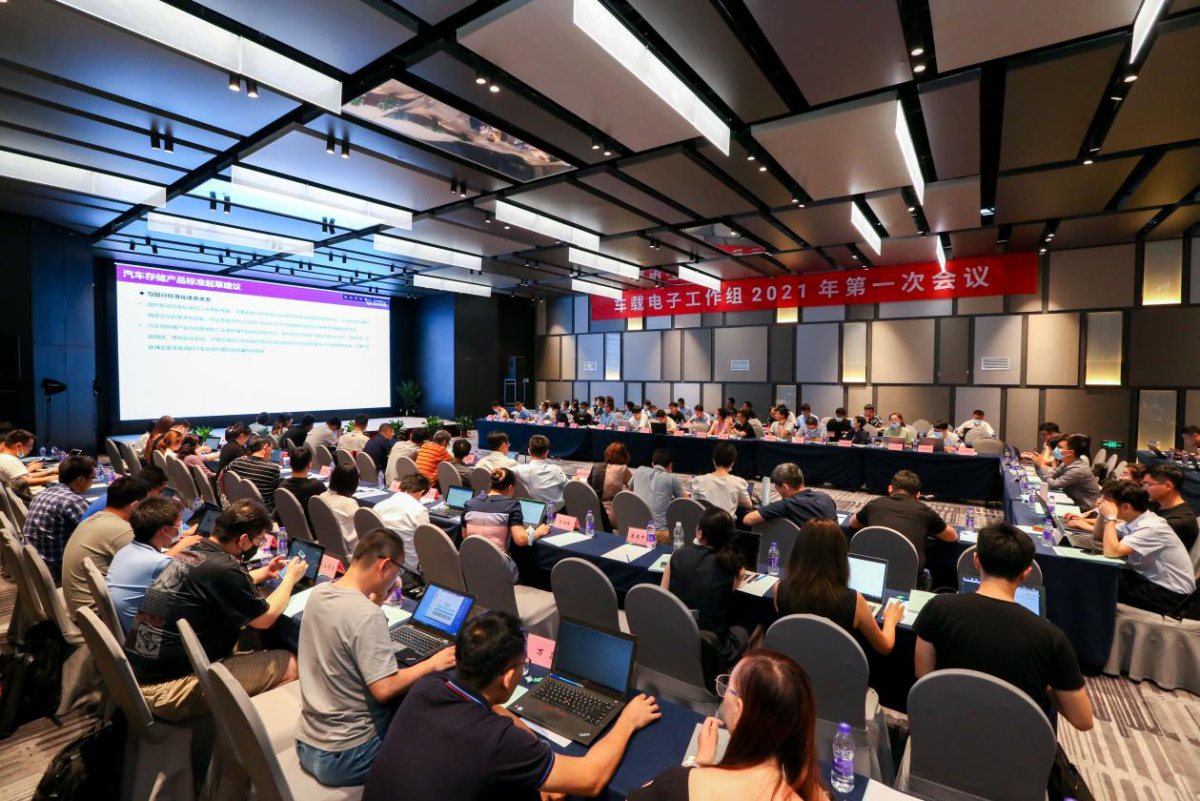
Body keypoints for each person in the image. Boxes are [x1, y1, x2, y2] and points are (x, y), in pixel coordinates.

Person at [363, 611, 660, 801]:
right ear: (507, 678)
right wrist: (627, 721)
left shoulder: (428, 686)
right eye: (522, 664)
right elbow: (591, 779)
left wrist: (538, 760)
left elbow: (495, 710)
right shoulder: (498, 741)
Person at [296, 528, 456, 787]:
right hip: (350, 755)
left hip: (308, 743)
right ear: (384, 565)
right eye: (398, 569)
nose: (398, 576)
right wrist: (433, 663)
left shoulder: (321, 592)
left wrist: (378, 598)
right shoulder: (366, 616)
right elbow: (384, 688)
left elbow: (348, 624)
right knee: (440, 744)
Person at [125, 500, 307, 721]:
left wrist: (264, 573)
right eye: (258, 540)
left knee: (250, 637)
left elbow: (217, 583)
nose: (257, 545)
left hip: (142, 673)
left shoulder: (193, 552)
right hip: (169, 688)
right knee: (292, 665)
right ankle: (247, 734)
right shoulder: (224, 568)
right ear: (243, 539)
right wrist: (290, 579)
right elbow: (264, 619)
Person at [914, 522, 1094, 733]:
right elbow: (1083, 720)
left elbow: (923, 675)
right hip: (1016, 745)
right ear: (1026, 573)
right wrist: (1046, 684)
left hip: (944, 734)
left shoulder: (937, 607)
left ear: (976, 561)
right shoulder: (1051, 637)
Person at [632, 649, 824, 801]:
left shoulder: (678, 784)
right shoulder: (810, 791)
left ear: (739, 709)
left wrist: (698, 762)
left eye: (727, 687)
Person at [776, 520, 904, 655]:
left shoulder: (780, 589)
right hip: (837, 667)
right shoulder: (854, 601)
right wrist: (890, 619)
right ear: (840, 555)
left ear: (798, 551)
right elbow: (885, 647)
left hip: (795, 664)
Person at [661, 508, 748, 669]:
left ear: (700, 533)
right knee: (744, 627)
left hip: (675, 632)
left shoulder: (677, 555)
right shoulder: (735, 568)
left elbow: (663, 596)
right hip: (711, 643)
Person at [1094, 480, 1196, 615]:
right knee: (1097, 573)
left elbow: (1111, 552)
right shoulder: (1134, 520)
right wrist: (1102, 513)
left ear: (1126, 507)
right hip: (1148, 581)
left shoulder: (1151, 527)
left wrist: (1110, 517)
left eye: (1108, 503)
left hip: (1168, 594)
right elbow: (1099, 536)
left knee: (1098, 586)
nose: (1104, 505)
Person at [107, 497, 202, 634]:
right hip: (142, 638)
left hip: (126, 629)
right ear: (165, 530)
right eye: (179, 523)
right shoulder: (160, 563)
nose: (181, 527)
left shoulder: (125, 551)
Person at [62, 476, 150, 616]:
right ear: (135, 506)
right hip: (99, 615)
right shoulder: (122, 530)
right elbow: (156, 570)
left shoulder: (91, 519)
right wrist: (183, 544)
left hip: (80, 608)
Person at [849, 470, 958, 573]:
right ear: (917, 495)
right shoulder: (926, 512)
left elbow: (852, 523)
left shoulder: (874, 504)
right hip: (909, 576)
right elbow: (952, 536)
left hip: (871, 570)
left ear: (890, 489)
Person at [463, 468, 549, 580]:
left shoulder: (469, 504)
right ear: (510, 487)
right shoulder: (511, 506)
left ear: (491, 484)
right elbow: (521, 540)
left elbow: (466, 537)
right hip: (499, 569)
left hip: (472, 565)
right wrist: (538, 532)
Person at [23, 455, 95, 581]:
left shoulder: (42, 494)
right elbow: (96, 536)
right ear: (80, 480)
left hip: (34, 565)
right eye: (93, 477)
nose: (93, 481)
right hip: (57, 571)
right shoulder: (72, 501)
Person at [371, 473, 430, 581]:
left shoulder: (379, 506)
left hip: (383, 561)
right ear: (421, 493)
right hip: (411, 566)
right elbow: (425, 544)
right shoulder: (420, 510)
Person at [743, 463, 835, 529]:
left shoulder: (787, 504)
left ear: (784, 487)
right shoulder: (826, 497)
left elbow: (748, 520)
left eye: (777, 489)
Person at [1025, 433, 1102, 511]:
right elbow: (1047, 478)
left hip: (1088, 510)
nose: (1056, 449)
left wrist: (1042, 466)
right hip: (1074, 502)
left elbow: (1053, 485)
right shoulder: (1066, 463)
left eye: (1060, 447)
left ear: (1070, 452)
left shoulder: (1078, 469)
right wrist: (1037, 464)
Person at [631, 448, 687, 539]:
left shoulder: (639, 470)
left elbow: (630, 493)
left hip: (635, 531)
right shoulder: (671, 478)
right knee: (685, 534)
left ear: (652, 464)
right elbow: (686, 502)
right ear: (670, 465)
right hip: (658, 534)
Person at [1142, 463, 1198, 552]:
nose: (1144, 489)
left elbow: (1138, 542)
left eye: (1147, 484)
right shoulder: (1155, 504)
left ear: (1168, 486)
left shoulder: (1179, 520)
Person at [82, 465, 168, 521]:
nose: (161, 496)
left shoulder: (121, 494)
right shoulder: (128, 504)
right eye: (161, 491)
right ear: (150, 489)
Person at [690, 442, 751, 516]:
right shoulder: (739, 482)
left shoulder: (698, 480)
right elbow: (748, 505)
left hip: (704, 521)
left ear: (713, 460)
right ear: (733, 462)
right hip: (727, 522)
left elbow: (693, 504)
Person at [226, 435, 283, 513]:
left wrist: (229, 497)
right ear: (265, 447)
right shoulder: (273, 468)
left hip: (240, 507)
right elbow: (277, 495)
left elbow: (222, 475)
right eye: (271, 449)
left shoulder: (236, 462)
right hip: (263, 512)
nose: (271, 452)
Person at [512, 434, 567, 513]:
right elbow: (568, 488)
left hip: (531, 512)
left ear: (529, 451)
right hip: (556, 512)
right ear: (546, 453)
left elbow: (501, 472)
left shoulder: (519, 470)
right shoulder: (556, 470)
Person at [278, 445, 327, 527]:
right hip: (314, 529)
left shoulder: (282, 487)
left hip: (289, 528)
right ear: (309, 465)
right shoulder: (316, 485)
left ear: (290, 463)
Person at [0, 429, 55, 497]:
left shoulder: (4, 457)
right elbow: (25, 481)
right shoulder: (9, 460)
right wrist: (53, 478)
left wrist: (51, 472)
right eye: (30, 446)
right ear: (19, 446)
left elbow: (24, 477)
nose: (31, 449)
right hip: (35, 496)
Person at [588, 442, 633, 522]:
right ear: (624, 455)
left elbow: (588, 486)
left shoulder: (596, 466)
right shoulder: (623, 468)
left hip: (592, 510)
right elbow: (634, 487)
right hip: (611, 514)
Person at [325, 463, 364, 551]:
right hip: (352, 549)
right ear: (353, 483)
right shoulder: (349, 503)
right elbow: (362, 527)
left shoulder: (321, 496)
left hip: (328, 545)